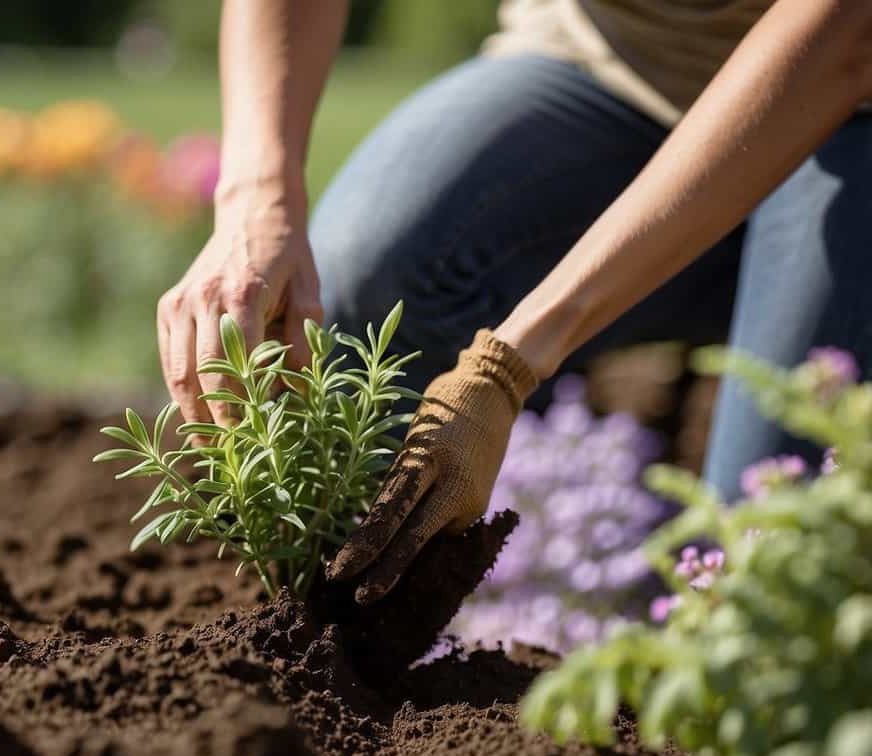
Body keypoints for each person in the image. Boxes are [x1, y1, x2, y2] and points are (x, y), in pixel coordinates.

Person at [156, 1, 872, 604]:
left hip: (849, 103)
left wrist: (508, 363)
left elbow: (844, 32)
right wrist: (256, 197)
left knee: (770, 576)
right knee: (360, 287)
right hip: (612, 72)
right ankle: (347, 658)